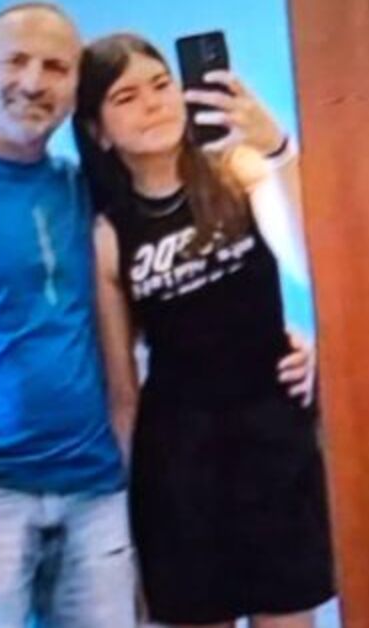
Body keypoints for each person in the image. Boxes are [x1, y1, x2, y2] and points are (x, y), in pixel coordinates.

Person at [0, 4, 316, 626]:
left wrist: (298, 335)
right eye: (16, 61)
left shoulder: (83, 191)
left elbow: (267, 276)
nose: (33, 81)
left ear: (72, 92)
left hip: (104, 489)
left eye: (55, 67)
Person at [73, 33, 335, 628]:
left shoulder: (239, 171)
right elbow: (122, 390)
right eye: (126, 97)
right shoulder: (109, 235)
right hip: (178, 458)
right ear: (99, 130)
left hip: (273, 440)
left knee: (288, 613)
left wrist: (278, 149)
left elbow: (313, 265)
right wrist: (132, 516)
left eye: (161, 85)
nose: (153, 104)